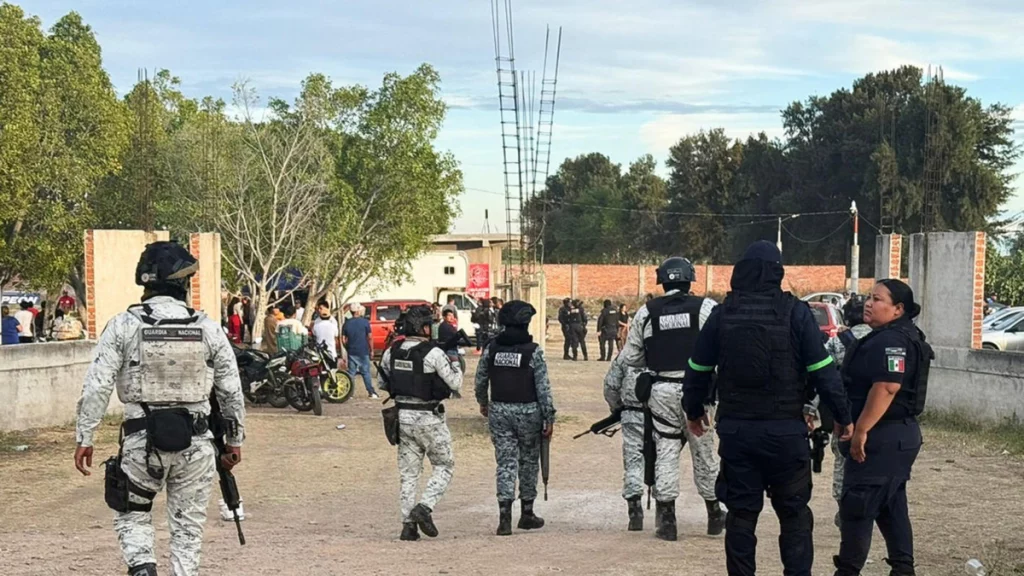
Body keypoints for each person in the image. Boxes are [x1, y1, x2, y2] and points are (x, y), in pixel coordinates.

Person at [73, 240, 246, 576]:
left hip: (141, 442)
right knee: (187, 531)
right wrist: (235, 441)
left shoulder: (124, 325)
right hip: (196, 445)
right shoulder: (208, 327)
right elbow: (230, 390)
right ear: (184, 284)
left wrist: (86, 436)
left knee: (132, 513)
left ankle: (142, 567)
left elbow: (97, 384)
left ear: (146, 284)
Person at [683, 240, 853, 576]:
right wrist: (843, 417)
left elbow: (697, 369)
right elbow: (823, 371)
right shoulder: (796, 313)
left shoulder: (722, 314)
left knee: (742, 515)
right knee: (794, 515)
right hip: (785, 434)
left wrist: (693, 412)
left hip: (738, 435)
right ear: (778, 272)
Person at [621, 256, 724, 541]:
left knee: (665, 450)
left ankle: (667, 518)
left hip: (662, 390)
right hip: (698, 390)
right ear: (690, 280)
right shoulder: (706, 307)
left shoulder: (646, 312)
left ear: (662, 281)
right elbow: (721, 345)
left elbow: (631, 357)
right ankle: (715, 513)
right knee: (703, 450)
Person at [833, 280, 930, 576]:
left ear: (898, 309)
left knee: (857, 507)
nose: (869, 303)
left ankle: (847, 571)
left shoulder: (892, 341)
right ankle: (903, 569)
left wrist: (861, 430)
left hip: (882, 436)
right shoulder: (888, 336)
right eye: (868, 298)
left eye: (877, 299)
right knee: (891, 506)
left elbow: (887, 387)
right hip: (896, 436)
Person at [378, 305, 463, 541]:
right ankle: (424, 507)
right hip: (429, 417)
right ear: (422, 326)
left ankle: (408, 526)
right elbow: (455, 383)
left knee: (409, 475)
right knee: (444, 465)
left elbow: (382, 383)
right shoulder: (433, 353)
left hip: (402, 418)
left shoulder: (392, 351)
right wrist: (454, 360)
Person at [475, 300, 555, 536]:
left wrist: (483, 402)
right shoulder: (534, 350)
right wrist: (549, 416)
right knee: (529, 461)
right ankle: (527, 512)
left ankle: (504, 517)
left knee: (505, 463)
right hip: (529, 411)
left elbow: (481, 378)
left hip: (499, 410)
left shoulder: (492, 348)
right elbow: (543, 387)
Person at [603, 353, 646, 530]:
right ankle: (666, 511)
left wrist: (617, 407)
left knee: (633, 460)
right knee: (663, 460)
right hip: (661, 414)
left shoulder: (626, 356)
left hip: (632, 413)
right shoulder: (667, 349)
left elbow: (610, 387)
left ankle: (634, 510)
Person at [343, 303, 377, 398]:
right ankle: (371, 392)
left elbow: (343, 339)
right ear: (358, 311)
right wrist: (372, 350)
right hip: (363, 350)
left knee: (351, 373)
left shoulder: (346, 323)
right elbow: (370, 337)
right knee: (365, 372)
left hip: (351, 351)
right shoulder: (365, 322)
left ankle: (350, 393)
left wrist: (347, 348)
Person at [312, 300, 341, 366]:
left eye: (321, 308)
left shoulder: (333, 321)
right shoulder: (317, 320)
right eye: (318, 308)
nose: (319, 310)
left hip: (331, 352)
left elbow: (335, 337)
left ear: (326, 308)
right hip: (320, 353)